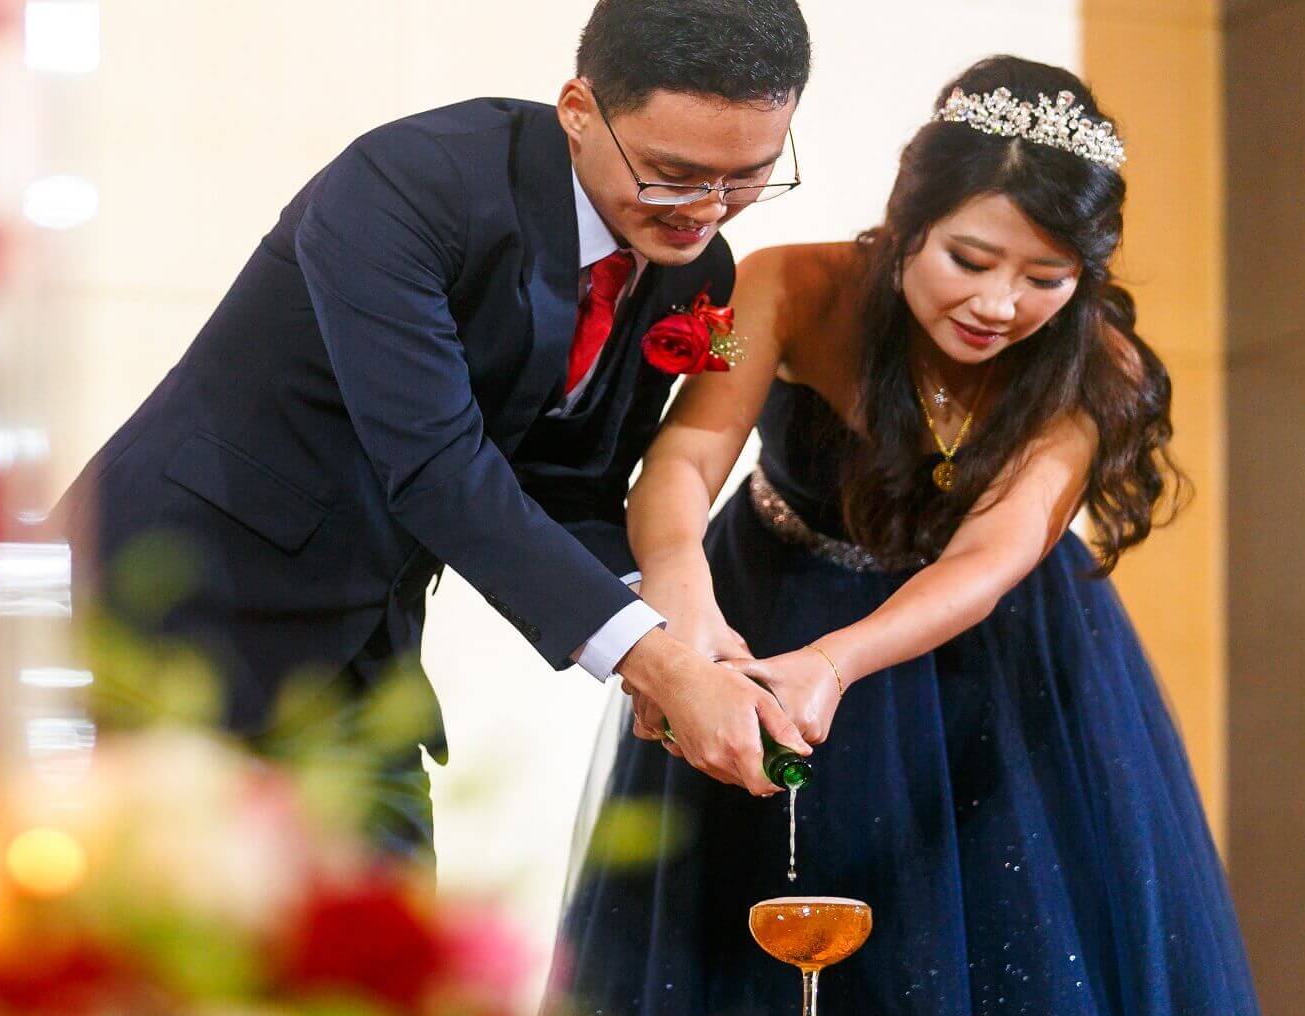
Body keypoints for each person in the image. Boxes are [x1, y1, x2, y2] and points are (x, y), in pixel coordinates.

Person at [556, 56, 1280, 1016]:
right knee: (740, 965)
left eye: (1047, 277)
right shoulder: (791, 284)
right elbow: (683, 461)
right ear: (908, 223)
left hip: (991, 659)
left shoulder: (1095, 363)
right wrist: (688, 616)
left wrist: (834, 663)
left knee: (997, 968)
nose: (999, 304)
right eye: (970, 258)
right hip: (764, 605)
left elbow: (992, 556)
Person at [53, 0, 814, 859]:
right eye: (674, 172)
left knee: (384, 964)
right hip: (162, 614)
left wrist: (680, 626)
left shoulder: (690, 264)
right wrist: (654, 664)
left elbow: (568, 482)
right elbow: (436, 463)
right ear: (577, 109)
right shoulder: (412, 182)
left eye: (747, 174)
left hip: (360, 661)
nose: (707, 210)